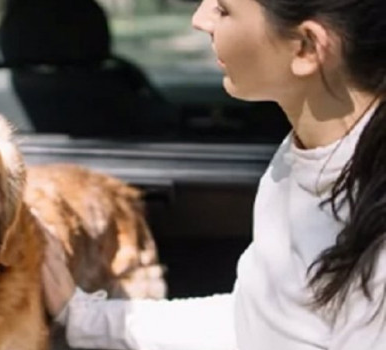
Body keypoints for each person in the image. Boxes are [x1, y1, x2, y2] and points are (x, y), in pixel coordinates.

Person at [41, 0, 386, 349]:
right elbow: (255, 325)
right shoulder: (302, 157)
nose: (199, 19)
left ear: (306, 47)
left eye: (222, 9)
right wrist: (84, 318)